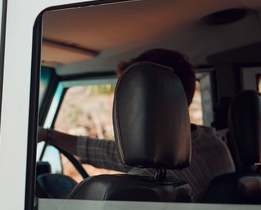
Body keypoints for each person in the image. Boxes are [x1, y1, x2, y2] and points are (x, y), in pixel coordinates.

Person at [39, 49, 235, 202]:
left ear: (145, 102)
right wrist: (50, 135)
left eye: (129, 96)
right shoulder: (212, 143)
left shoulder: (150, 184)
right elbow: (111, 152)